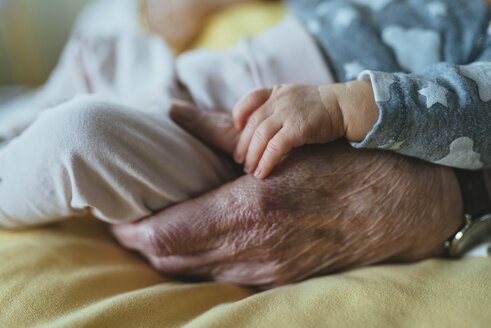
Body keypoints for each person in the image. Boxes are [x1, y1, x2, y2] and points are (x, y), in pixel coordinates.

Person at [0, 0, 489, 285]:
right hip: (187, 73)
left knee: (79, 139)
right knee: (96, 54)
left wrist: (346, 106)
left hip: (247, 147)